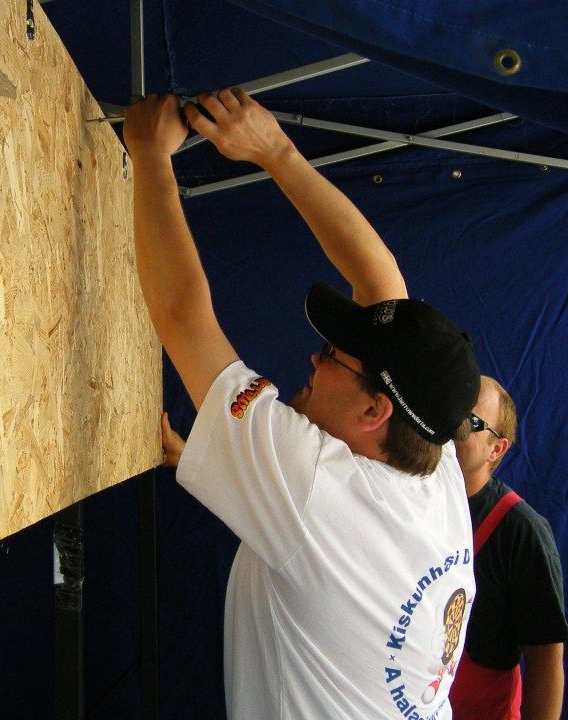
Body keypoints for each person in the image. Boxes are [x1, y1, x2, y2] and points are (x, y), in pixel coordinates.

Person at [124, 88, 481, 719]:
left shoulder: (322, 486)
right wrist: (276, 152)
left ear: (376, 412)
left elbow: (183, 318)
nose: (314, 360)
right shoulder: (434, 466)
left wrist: (150, 154)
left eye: (332, 357)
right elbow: (382, 286)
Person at [450, 376, 568, 720]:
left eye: (470, 421)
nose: (452, 426)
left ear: (497, 449)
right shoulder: (406, 503)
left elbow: (545, 656)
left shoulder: (521, 530)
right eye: (447, 410)